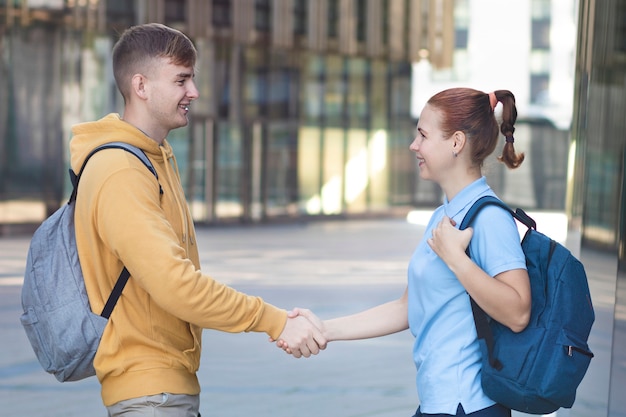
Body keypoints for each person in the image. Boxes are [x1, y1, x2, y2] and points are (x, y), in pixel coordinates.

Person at [70, 23, 325, 417]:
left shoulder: (154, 157)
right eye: (181, 80)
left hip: (165, 388)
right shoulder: (121, 170)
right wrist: (273, 320)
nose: (195, 92)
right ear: (141, 86)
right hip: (149, 393)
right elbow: (175, 284)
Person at [279, 88, 531, 417]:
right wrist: (325, 330)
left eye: (423, 135)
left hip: (468, 405)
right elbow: (407, 307)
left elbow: (518, 312)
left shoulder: (490, 218)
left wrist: (457, 260)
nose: (414, 146)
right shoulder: (443, 216)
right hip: (439, 402)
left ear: (456, 143)